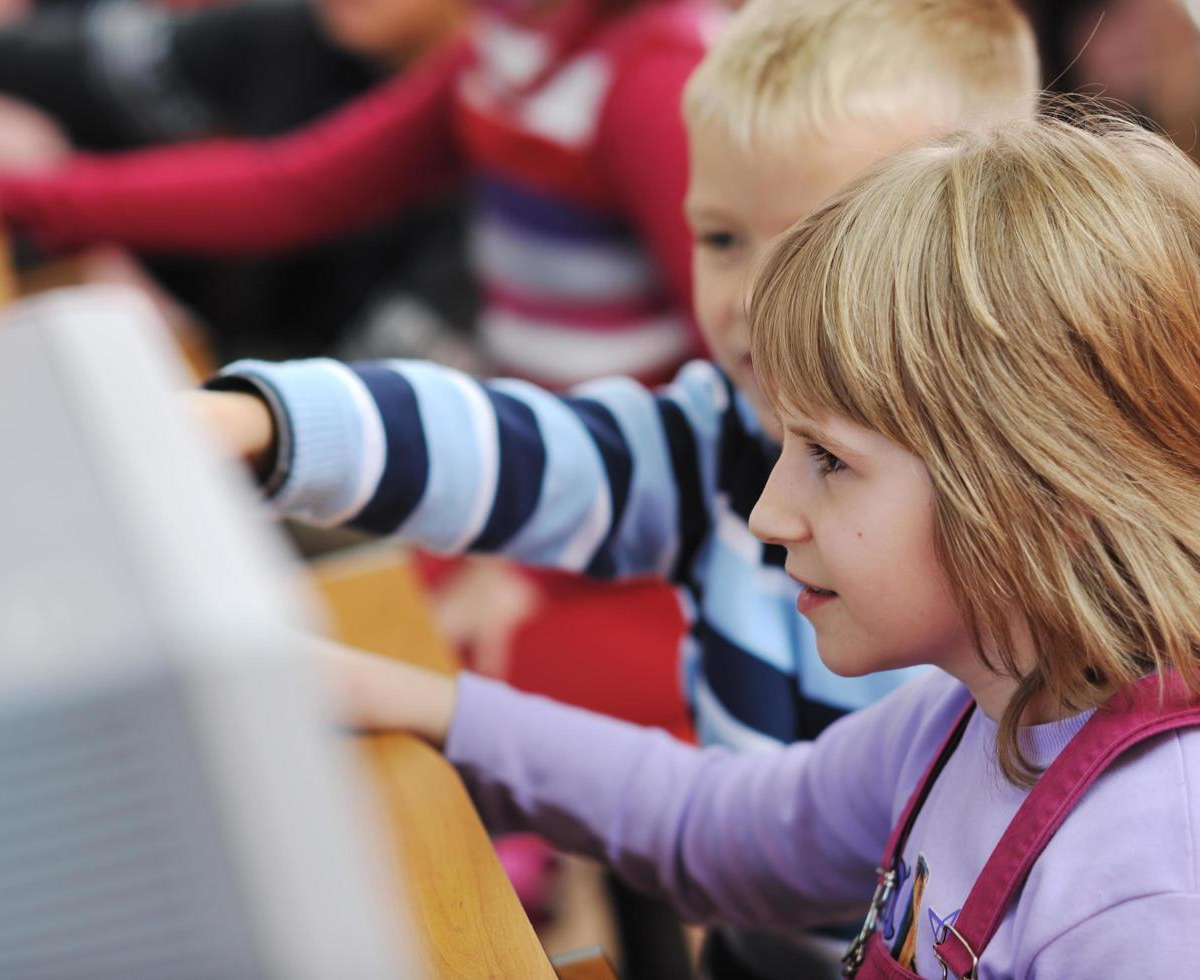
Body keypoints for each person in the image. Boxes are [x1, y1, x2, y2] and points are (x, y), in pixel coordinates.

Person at [188, 2, 1040, 973]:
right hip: (750, 933)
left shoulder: (1005, 566)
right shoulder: (712, 430)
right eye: (719, 239)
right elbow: (514, 449)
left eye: (813, 243)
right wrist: (253, 422)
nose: (749, 295)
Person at [315, 110, 1200, 977]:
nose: (772, 513)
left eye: (828, 458)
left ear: (1042, 494)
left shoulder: (1145, 902)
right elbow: (717, 828)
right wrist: (425, 705)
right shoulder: (971, 714)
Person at [0, 0, 723, 387]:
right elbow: (293, 185)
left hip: (604, 516)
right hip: (544, 478)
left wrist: (538, 559)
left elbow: (747, 364)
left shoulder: (652, 81)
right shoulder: (513, 41)